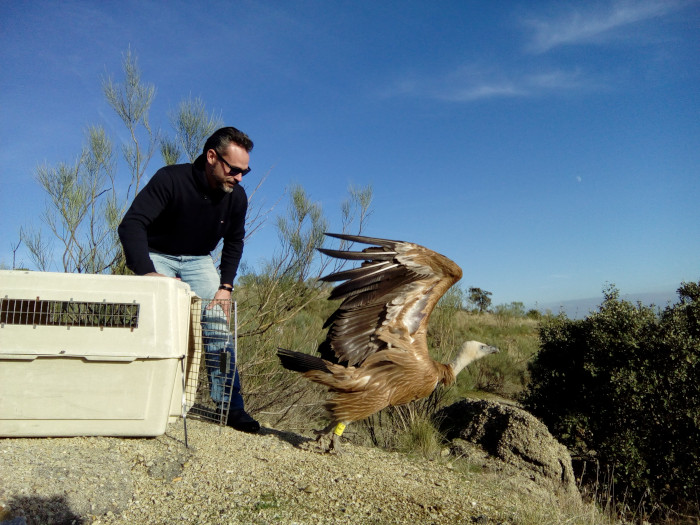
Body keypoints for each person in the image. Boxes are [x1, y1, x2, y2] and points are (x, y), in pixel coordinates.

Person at [118, 126, 260, 433]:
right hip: (158, 255)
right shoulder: (171, 179)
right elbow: (132, 224)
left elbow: (235, 242)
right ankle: (149, 400)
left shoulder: (237, 198)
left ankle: (230, 406)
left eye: (244, 172)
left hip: (199, 259)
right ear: (212, 157)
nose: (238, 178)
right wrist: (147, 272)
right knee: (160, 323)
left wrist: (225, 287)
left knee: (217, 320)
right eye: (233, 169)